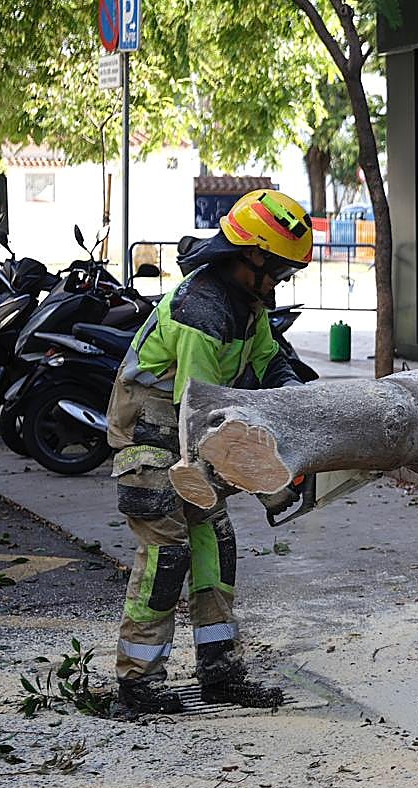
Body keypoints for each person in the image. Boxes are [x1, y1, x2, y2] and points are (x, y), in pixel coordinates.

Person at [106, 189, 314, 714]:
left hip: (190, 435)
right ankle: (139, 680)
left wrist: (298, 410)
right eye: (279, 271)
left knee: (215, 546)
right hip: (152, 440)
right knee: (167, 550)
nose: (280, 283)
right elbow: (198, 414)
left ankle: (219, 671)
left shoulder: (248, 306)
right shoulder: (201, 311)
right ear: (252, 255)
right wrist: (263, 477)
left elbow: (269, 363)